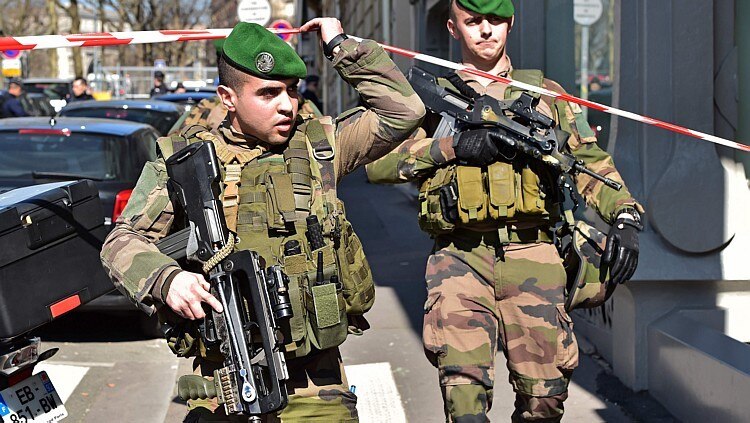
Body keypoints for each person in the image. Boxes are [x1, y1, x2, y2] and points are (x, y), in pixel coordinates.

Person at [101, 19, 424, 422]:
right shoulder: (185, 165)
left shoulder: (320, 145)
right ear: (227, 98)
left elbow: (404, 109)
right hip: (227, 383)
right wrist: (168, 279)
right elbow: (120, 241)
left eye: (292, 90)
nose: (287, 105)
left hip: (316, 385)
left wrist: (342, 46)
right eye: (268, 93)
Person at [366, 0, 643, 421]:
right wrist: (451, 146)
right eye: (472, 21)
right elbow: (379, 164)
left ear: (510, 23)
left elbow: (588, 162)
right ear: (453, 27)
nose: (485, 30)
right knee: (463, 399)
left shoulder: (546, 97)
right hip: (459, 258)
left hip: (534, 254)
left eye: (495, 20)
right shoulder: (430, 97)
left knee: (545, 398)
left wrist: (624, 215)